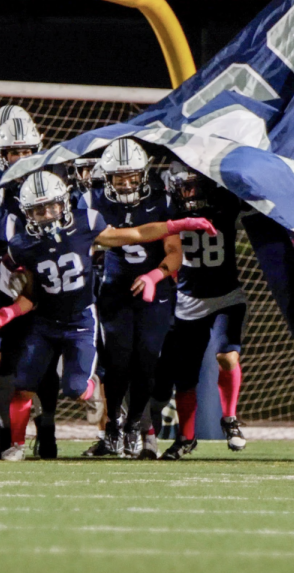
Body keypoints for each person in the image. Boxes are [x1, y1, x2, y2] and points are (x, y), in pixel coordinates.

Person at [0, 171, 215, 460]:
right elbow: (31, 292)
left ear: (64, 204)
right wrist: (10, 310)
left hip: (79, 321)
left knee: (73, 388)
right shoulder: (21, 245)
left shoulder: (87, 223)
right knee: (22, 388)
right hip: (44, 323)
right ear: (27, 213)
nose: (46, 214)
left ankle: (94, 387)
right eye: (37, 209)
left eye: (51, 206)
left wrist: (179, 224)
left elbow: (135, 234)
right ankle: (17, 446)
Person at [86, 138, 182, 459]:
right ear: (107, 176)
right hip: (116, 287)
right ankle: (114, 421)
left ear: (143, 174)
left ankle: (133, 428)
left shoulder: (161, 199)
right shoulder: (95, 200)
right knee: (117, 361)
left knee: (146, 361)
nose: (126, 182)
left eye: (131, 176)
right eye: (119, 176)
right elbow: (93, 238)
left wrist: (155, 275)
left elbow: (173, 252)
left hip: (155, 291)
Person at [154, 162, 248, 460]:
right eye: (186, 185)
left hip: (227, 297)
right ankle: (186, 438)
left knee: (226, 355)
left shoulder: (227, 203)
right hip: (187, 303)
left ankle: (230, 418)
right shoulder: (168, 211)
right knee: (185, 377)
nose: (192, 192)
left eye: (197, 184)